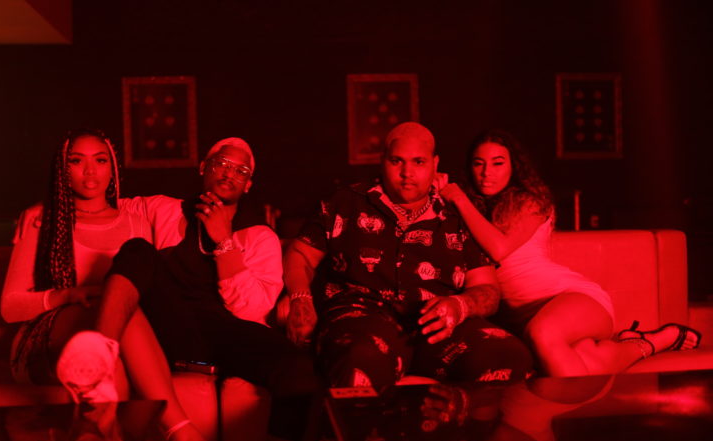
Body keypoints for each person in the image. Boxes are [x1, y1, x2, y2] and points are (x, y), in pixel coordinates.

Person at [69, 137, 319, 441]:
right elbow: (101, 203)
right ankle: (98, 362)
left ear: (248, 185)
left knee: (300, 371)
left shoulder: (260, 237)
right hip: (169, 326)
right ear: (204, 168)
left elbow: (251, 311)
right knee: (138, 250)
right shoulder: (162, 210)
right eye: (222, 164)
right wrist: (51, 210)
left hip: (226, 332)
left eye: (241, 171)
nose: (230, 174)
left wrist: (224, 242)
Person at [1, 128, 245, 441]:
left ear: (112, 169)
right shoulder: (42, 219)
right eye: (77, 161)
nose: (90, 171)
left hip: (115, 341)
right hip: (49, 337)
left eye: (100, 161)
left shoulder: (135, 222)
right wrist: (69, 295)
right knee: (111, 303)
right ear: (62, 170)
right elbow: (9, 307)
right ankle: (182, 439)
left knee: (120, 304)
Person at [284, 122, 534, 392]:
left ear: (435, 164)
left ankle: (455, 419)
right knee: (359, 358)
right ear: (382, 161)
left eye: (419, 162)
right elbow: (300, 254)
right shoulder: (346, 201)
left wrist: (460, 305)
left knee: (508, 356)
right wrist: (300, 298)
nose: (407, 173)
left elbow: (488, 289)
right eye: (397, 161)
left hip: (437, 325)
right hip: (362, 319)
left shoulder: (456, 213)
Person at [439, 129, 701, 376]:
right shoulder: (470, 210)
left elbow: (499, 249)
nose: (487, 173)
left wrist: (459, 199)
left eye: (498, 163)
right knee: (589, 360)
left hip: (572, 299)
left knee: (543, 334)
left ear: (513, 167)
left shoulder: (529, 201)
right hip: (524, 319)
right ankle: (648, 342)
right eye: (478, 164)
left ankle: (639, 351)